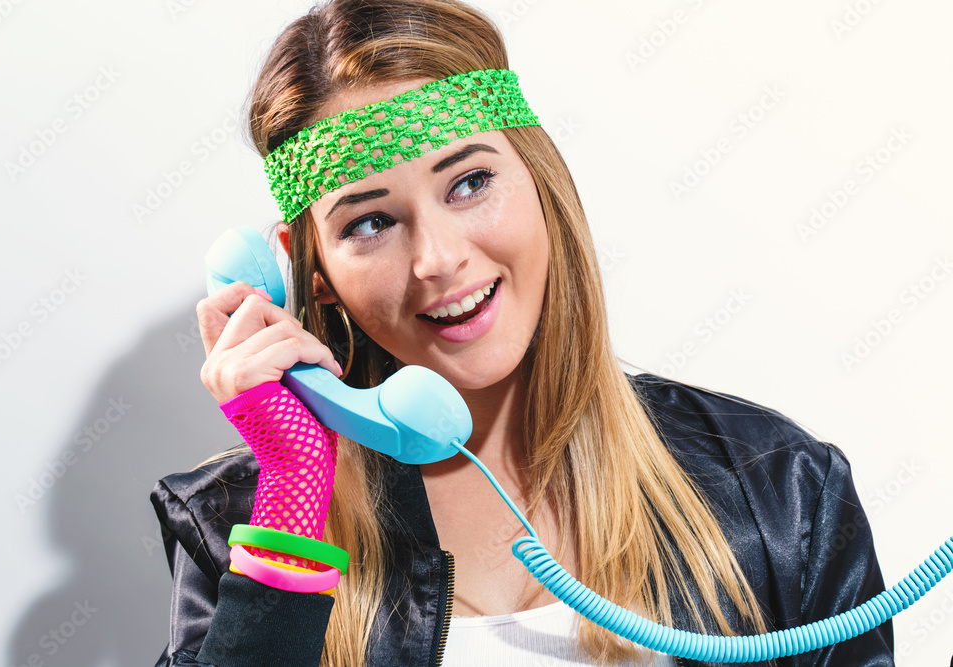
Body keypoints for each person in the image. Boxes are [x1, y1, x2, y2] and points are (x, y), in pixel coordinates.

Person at [151, 0, 895, 665]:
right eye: (371, 221)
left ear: (541, 184)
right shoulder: (239, 524)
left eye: (469, 182)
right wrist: (295, 490)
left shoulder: (780, 492)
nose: (438, 259)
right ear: (310, 275)